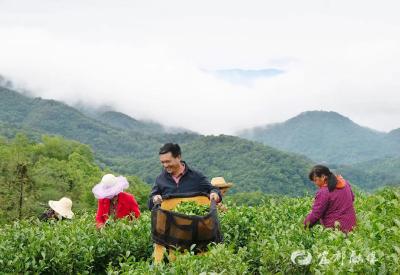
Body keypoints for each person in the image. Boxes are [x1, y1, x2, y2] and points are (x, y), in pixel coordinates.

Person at [148, 143, 221, 209]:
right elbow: (150, 203)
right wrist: (155, 199)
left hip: (194, 220)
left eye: (168, 161)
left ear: (179, 157)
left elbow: (214, 189)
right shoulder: (160, 179)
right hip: (169, 221)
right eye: (162, 162)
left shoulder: (196, 176)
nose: (165, 165)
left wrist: (214, 194)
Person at [304, 165, 356, 233]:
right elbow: (352, 198)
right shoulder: (345, 183)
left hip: (335, 231)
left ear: (323, 177)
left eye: (316, 180)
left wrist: (304, 225)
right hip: (352, 226)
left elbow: (315, 214)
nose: (315, 183)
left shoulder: (324, 192)